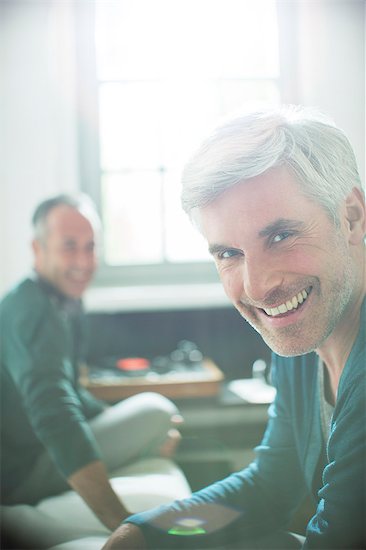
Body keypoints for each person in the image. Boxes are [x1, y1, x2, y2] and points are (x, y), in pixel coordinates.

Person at [103, 105, 366, 549]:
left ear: (353, 217)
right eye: (228, 253)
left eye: (280, 236)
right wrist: (145, 534)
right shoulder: (306, 336)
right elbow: (273, 484)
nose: (258, 287)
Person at [0, 194, 182, 534]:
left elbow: (70, 391)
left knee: (157, 417)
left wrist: (120, 424)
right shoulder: (34, 312)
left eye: (91, 246)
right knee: (156, 410)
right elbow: (56, 413)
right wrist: (124, 524)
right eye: (70, 246)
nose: (84, 261)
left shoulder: (56, 300)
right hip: (20, 473)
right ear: (38, 249)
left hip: (31, 456)